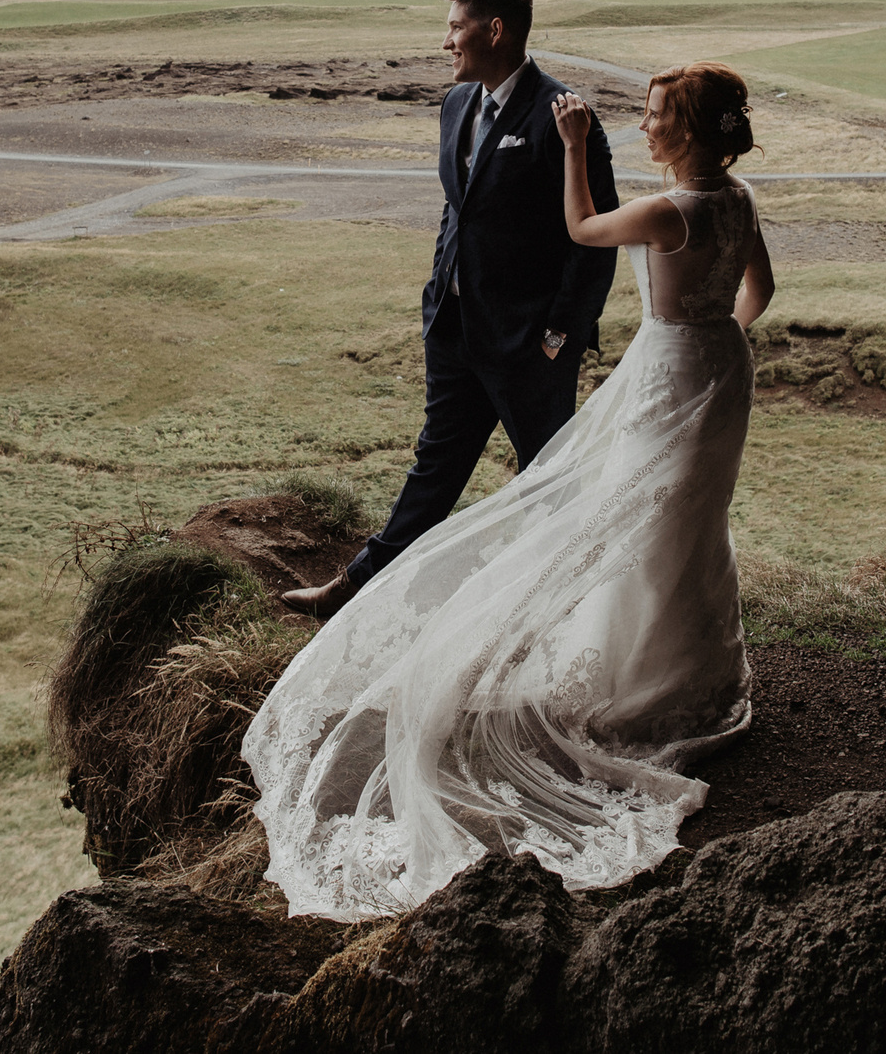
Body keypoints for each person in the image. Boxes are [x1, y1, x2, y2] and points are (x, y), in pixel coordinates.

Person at [246, 61, 775, 920]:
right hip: (720, 367)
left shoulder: (666, 211)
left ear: (686, 128)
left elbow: (581, 227)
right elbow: (762, 291)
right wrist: (715, 342)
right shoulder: (742, 199)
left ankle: (641, 677)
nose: (644, 126)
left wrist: (573, 146)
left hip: (670, 371)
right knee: (689, 517)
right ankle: (691, 670)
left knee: (637, 518)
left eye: (655, 115)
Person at [280, 0, 621, 618]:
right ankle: (354, 592)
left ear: (495, 30)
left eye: (455, 28)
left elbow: (597, 236)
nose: (446, 43)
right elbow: (458, 207)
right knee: (435, 467)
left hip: (529, 346)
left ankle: (576, 611)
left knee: (550, 481)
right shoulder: (457, 102)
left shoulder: (563, 115)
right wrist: (440, 288)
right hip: (454, 329)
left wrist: (560, 335)